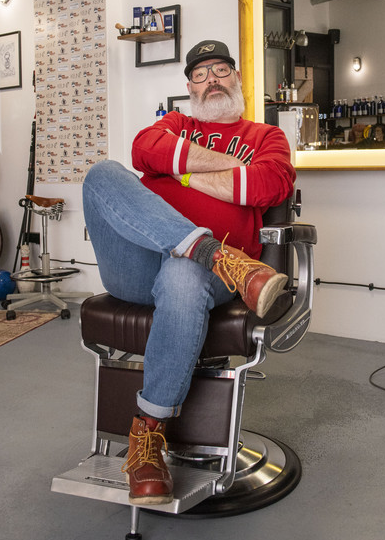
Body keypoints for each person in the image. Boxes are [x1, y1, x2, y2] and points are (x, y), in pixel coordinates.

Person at [82, 39, 295, 506]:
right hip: (138, 266)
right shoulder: (177, 124)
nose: (211, 80)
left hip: (206, 281)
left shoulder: (266, 137)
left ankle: (148, 435)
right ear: (190, 88)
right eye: (200, 74)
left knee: (184, 273)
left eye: (221, 70)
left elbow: (269, 183)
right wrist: (231, 169)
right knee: (102, 173)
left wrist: (179, 172)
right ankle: (208, 250)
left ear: (238, 79)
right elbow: (144, 150)